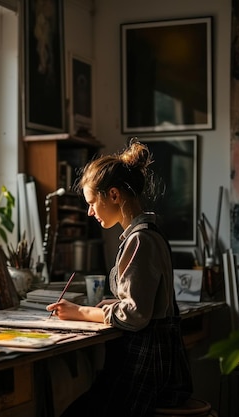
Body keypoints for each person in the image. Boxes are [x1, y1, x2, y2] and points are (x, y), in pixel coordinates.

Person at [47, 139, 193, 417]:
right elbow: (141, 299)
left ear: (113, 195)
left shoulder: (141, 240)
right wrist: (113, 302)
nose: (89, 212)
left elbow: (135, 315)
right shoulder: (142, 235)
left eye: (92, 202)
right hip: (150, 361)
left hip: (148, 368)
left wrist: (82, 311)